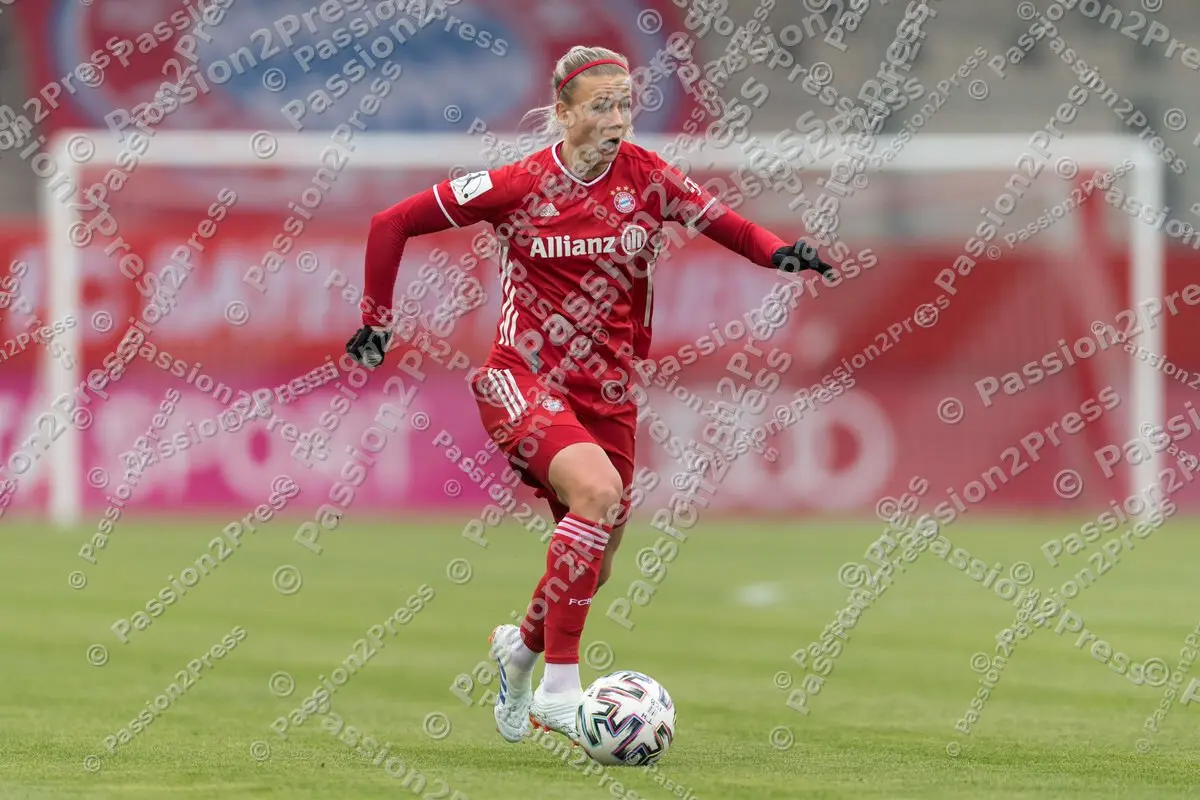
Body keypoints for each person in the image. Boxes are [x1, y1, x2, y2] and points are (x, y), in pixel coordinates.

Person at [345, 45, 834, 745]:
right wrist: (376, 320)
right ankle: (558, 691)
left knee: (596, 565)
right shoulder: (517, 184)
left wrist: (778, 252)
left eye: (625, 104)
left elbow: (726, 222)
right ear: (564, 113)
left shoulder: (649, 180)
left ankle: (519, 651)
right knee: (597, 496)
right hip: (522, 379)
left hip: (609, 396)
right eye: (600, 105)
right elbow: (390, 223)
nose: (616, 118)